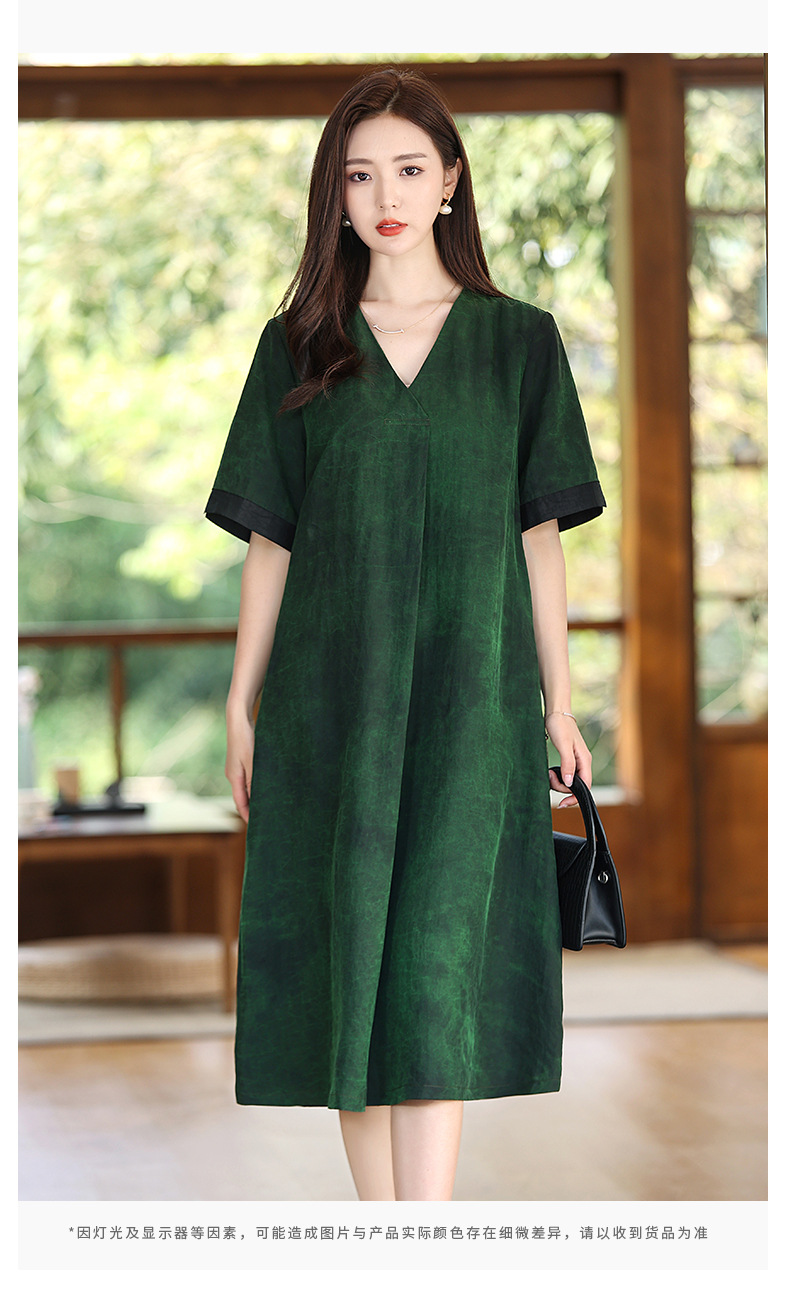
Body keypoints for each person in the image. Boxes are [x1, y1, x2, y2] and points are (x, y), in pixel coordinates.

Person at [205, 65, 605, 1203]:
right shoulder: (297, 345)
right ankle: (385, 1242)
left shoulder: (520, 344)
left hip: (475, 703)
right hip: (330, 704)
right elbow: (270, 541)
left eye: (409, 169)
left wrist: (560, 701)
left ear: (450, 182)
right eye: (359, 175)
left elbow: (540, 538)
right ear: (334, 196)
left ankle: (421, 1244)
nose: (386, 195)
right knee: (353, 967)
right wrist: (240, 700)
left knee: (433, 964)